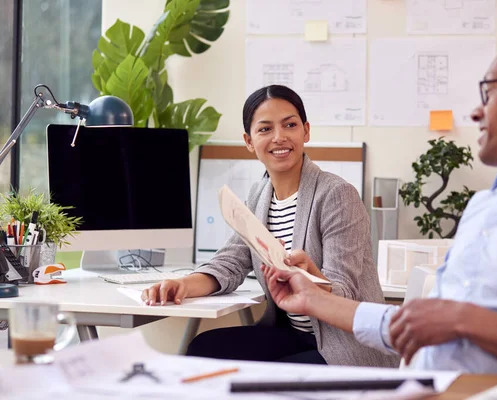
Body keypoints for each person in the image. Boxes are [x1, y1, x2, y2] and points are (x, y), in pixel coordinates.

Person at [262, 36, 497, 374]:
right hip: (418, 384)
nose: (476, 111)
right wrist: (313, 300)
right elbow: (422, 325)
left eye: (489, 91)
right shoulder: (486, 204)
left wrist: (464, 319)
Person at [142, 85, 398, 368]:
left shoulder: (336, 194)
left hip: (344, 344)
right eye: (265, 129)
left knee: (261, 378)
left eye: (290, 125)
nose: (279, 137)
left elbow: (345, 293)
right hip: (295, 335)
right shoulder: (258, 195)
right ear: (249, 141)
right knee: (203, 349)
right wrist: (180, 285)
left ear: (306, 131)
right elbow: (231, 263)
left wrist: (312, 276)